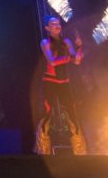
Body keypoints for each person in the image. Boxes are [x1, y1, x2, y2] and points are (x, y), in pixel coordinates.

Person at [35, 15, 87, 155]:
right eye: (53, 24)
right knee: (47, 115)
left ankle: (80, 152)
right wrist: (71, 57)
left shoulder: (67, 42)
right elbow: (52, 61)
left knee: (72, 115)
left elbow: (77, 61)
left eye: (58, 23)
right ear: (47, 28)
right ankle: (43, 151)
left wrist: (79, 47)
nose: (57, 25)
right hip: (50, 82)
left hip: (64, 82)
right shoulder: (45, 42)